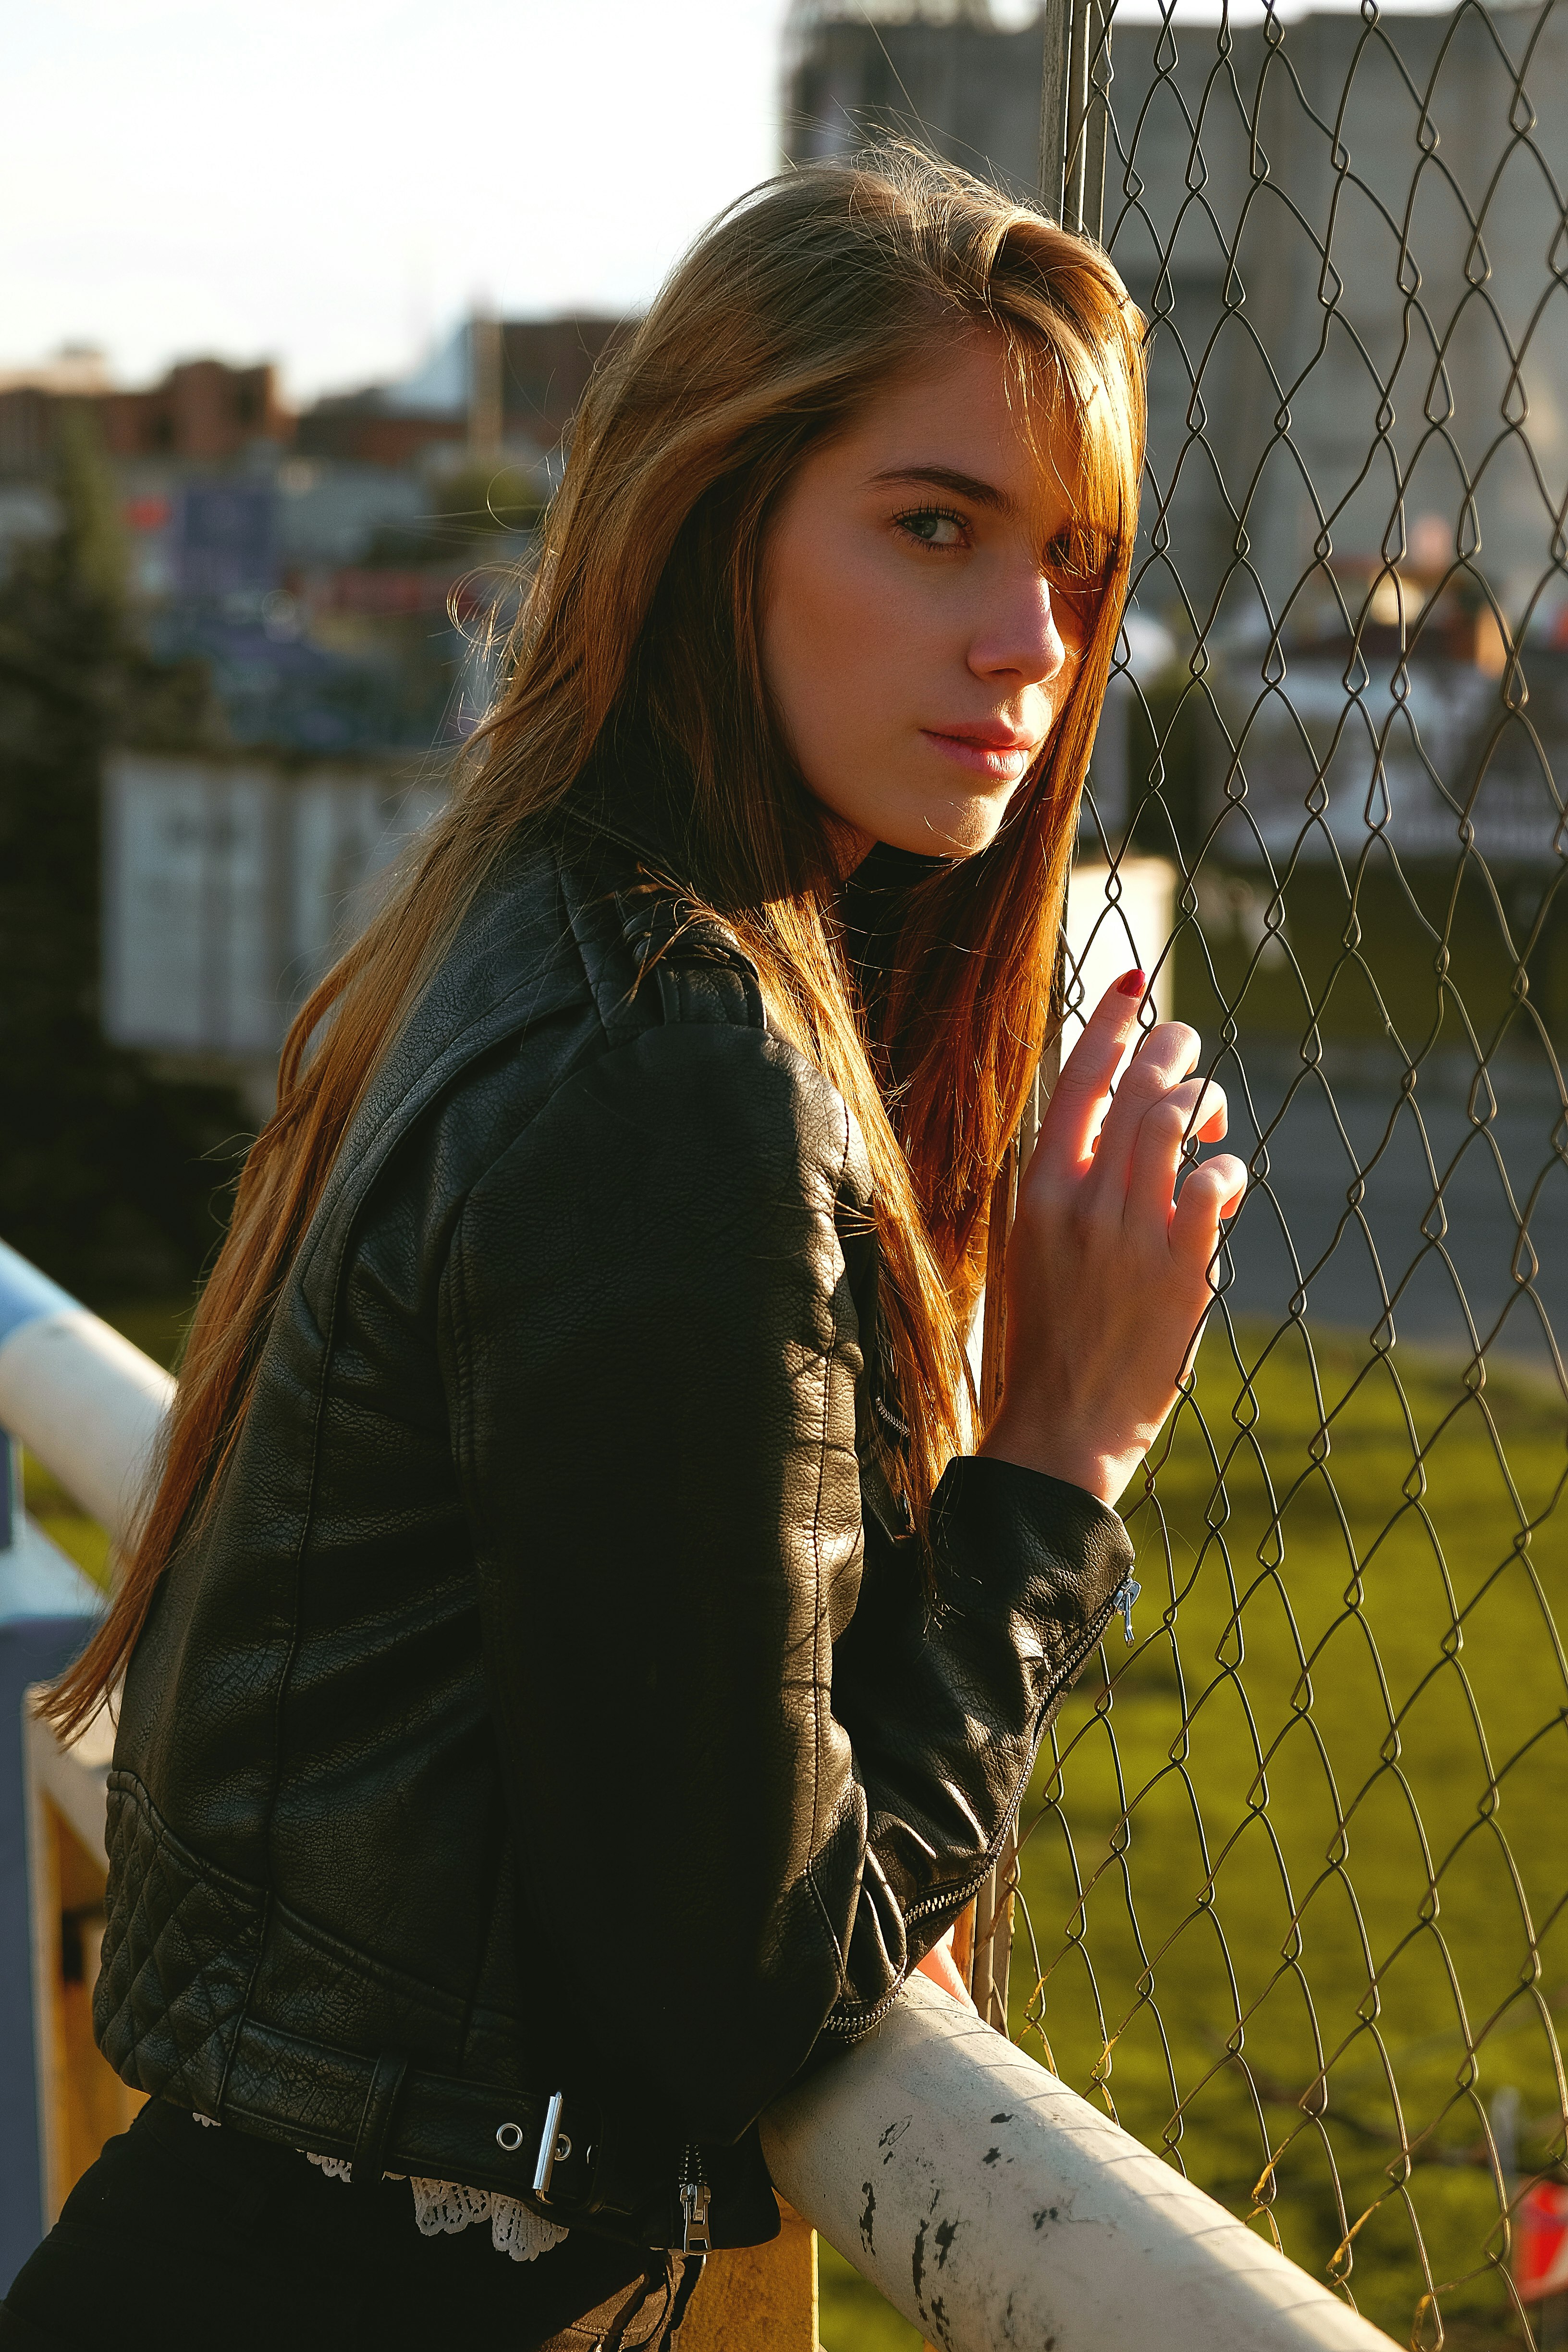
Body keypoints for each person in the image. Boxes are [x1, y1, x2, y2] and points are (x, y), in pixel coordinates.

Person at [3, 148, 1244, 2351]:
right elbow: (726, 1991)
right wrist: (1057, 1465)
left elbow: (668, 1750)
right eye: (933, 524)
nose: (1031, 647)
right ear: (713, 525)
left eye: (1073, 561)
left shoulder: (558, 921)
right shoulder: (673, 1061)